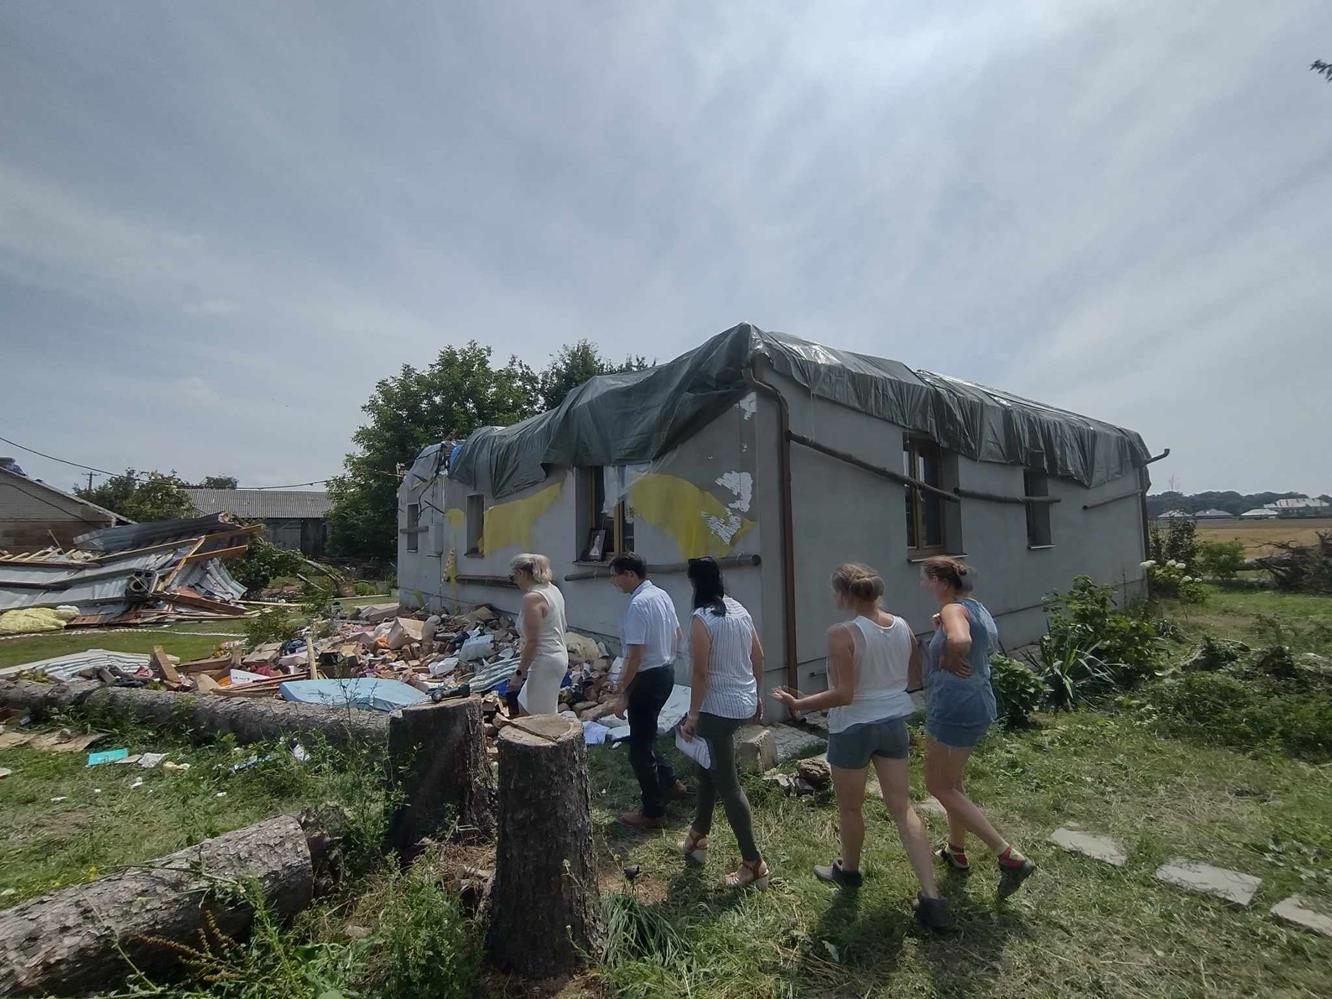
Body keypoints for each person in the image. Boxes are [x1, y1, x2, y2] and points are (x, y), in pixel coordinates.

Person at [774, 563, 951, 930]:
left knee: (851, 808)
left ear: (845, 595)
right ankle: (932, 895)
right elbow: (913, 678)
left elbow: (844, 694)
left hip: (853, 728)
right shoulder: (902, 626)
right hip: (892, 724)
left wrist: (799, 704)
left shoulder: (842, 633)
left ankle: (850, 871)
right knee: (903, 809)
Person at [919, 556, 1035, 899]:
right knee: (952, 782)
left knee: (938, 785)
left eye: (927, 579)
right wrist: (944, 626)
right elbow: (974, 636)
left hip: (954, 707)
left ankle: (1008, 856)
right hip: (977, 701)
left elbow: (961, 641)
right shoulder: (975, 608)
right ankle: (956, 850)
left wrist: (951, 653)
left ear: (942, 582)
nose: (924, 585)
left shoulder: (953, 610)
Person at [677, 557, 770, 889]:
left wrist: (692, 715)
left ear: (694, 584)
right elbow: (758, 656)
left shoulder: (702, 619)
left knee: (728, 785)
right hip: (742, 700)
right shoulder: (739, 610)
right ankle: (698, 836)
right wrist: (756, 694)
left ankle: (753, 863)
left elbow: (700, 672)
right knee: (707, 768)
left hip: (717, 707)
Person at [610, 552, 687, 829]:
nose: (614, 582)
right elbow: (677, 635)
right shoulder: (661, 595)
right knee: (647, 735)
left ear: (630, 574)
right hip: (665, 672)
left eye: (616, 576)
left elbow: (635, 655)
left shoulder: (639, 604)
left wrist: (622, 691)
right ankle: (671, 784)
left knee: (639, 749)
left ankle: (653, 811)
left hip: (647, 677)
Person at [508, 553, 569, 716]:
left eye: (513, 577)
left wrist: (518, 674)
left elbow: (533, 642)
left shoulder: (532, 598)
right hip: (555, 656)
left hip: (544, 661)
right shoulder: (552, 590)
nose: (514, 582)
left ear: (521, 573)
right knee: (524, 707)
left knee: (540, 720)